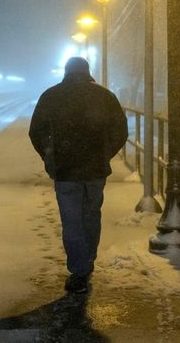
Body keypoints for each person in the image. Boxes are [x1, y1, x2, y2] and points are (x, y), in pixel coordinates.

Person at [29, 57, 127, 294]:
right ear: (87, 71)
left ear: (66, 72)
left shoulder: (51, 96)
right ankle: (88, 259)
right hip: (95, 170)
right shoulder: (104, 96)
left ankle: (79, 270)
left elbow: (35, 132)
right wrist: (104, 154)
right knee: (91, 215)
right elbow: (120, 130)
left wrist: (50, 157)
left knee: (71, 221)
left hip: (65, 171)